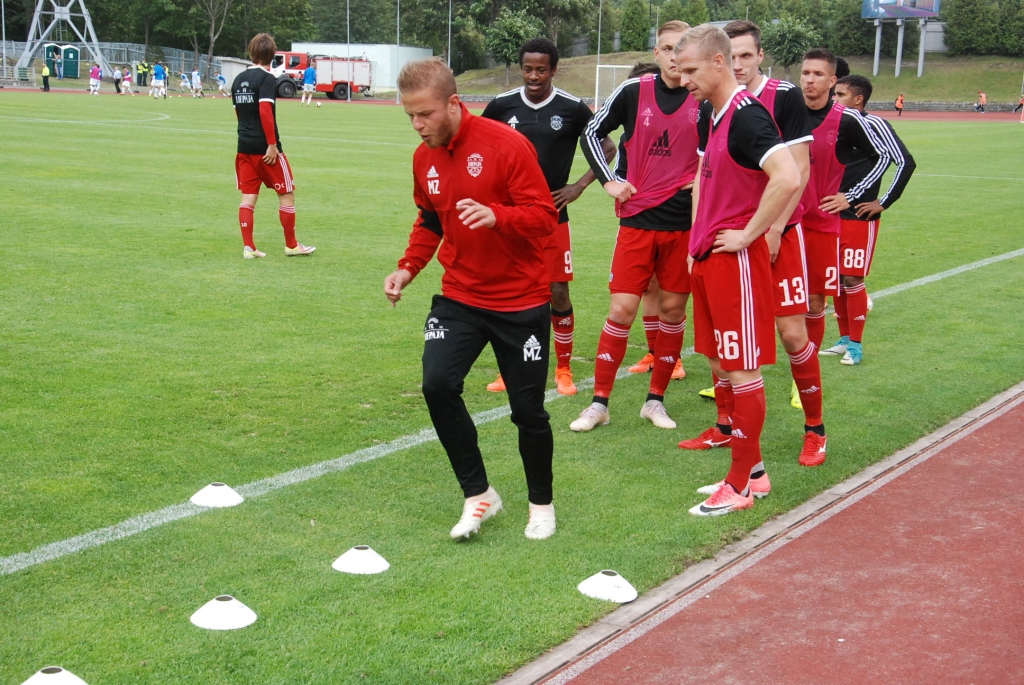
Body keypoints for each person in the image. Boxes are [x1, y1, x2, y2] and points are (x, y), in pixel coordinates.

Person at [383, 58, 560, 541]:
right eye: (410, 117)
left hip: (520, 301)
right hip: (459, 297)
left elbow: (544, 217)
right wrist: (407, 268)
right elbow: (430, 221)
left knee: (528, 412)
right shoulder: (424, 158)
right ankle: (478, 493)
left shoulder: (506, 145)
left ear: (454, 104)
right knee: (437, 384)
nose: (417, 126)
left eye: (425, 115)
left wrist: (498, 216)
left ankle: (541, 505)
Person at [681, 20, 828, 468]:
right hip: (729, 241)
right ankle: (728, 428)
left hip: (775, 234)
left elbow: (795, 172)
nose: (741, 64)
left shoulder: (780, 99)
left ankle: (815, 429)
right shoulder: (714, 107)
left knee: (791, 332)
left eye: (747, 56)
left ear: (756, 56)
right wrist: (695, 242)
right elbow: (704, 180)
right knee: (722, 346)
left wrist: (770, 231)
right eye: (736, 55)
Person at [571, 20, 700, 433]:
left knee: (674, 310)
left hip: (684, 223)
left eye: (682, 49)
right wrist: (608, 178)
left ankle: (655, 402)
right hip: (639, 219)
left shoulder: (708, 98)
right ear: (657, 53)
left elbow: (725, 149)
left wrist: (704, 179)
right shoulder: (633, 91)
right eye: (667, 48)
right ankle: (599, 404)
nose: (675, 57)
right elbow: (591, 131)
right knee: (622, 309)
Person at [481, 38, 615, 397]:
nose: (534, 76)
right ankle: (509, 370)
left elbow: (608, 144)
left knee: (557, 291)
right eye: (528, 69)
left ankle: (564, 368)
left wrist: (579, 186)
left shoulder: (571, 108)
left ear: (554, 69)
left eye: (542, 69)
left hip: (552, 215)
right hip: (509, 218)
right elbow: (478, 144)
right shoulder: (501, 105)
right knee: (508, 291)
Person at [799, 48, 888, 366]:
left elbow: (889, 158)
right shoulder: (794, 113)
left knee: (844, 282)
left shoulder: (855, 122)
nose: (810, 80)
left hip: (846, 217)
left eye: (819, 75)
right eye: (806, 73)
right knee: (826, 284)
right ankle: (844, 339)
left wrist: (858, 196)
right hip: (804, 218)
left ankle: (854, 346)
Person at [831, 75, 916, 366]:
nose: (834, 99)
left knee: (852, 277)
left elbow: (905, 161)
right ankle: (843, 339)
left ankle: (856, 345)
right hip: (829, 214)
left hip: (858, 215)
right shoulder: (831, 123)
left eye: (840, 94)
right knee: (837, 280)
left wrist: (883, 201)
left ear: (858, 99)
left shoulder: (875, 124)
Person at [622, 59, 687, 385]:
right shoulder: (631, 138)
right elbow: (621, 170)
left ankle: (672, 359)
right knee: (648, 286)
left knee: (672, 296)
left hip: (678, 220)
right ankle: (653, 351)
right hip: (638, 217)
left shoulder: (689, 110)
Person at [232, 34, 315, 259]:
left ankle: (249, 247)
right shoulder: (267, 78)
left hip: (243, 147)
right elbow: (265, 111)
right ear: (272, 55)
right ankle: (292, 245)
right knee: (286, 193)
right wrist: (271, 144)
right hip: (265, 148)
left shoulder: (238, 79)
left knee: (248, 197)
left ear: (251, 52)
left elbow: (238, 113)